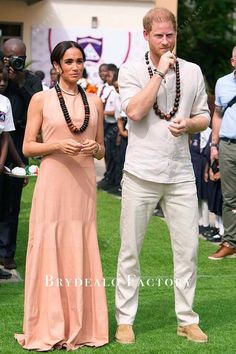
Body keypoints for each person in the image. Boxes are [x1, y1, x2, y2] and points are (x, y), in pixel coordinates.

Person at [115, 7, 210, 344]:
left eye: (170, 34)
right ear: (146, 36)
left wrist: (190, 124)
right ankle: (125, 319)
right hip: (140, 172)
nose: (166, 40)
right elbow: (137, 112)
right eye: (159, 35)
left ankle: (187, 319)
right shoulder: (129, 69)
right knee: (131, 250)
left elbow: (204, 117)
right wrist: (159, 72)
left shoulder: (194, 71)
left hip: (181, 172)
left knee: (188, 251)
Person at [15, 40, 108, 351]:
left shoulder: (94, 102)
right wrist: (57, 146)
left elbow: (101, 148)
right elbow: (28, 147)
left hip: (83, 186)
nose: (75, 66)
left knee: (80, 247)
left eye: (79, 61)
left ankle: (83, 327)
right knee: (50, 247)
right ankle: (50, 325)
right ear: (56, 65)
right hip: (53, 183)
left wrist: (96, 149)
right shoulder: (41, 100)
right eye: (69, 61)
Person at [0, 38, 42, 270]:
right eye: (9, 58)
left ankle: (7, 252)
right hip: (1, 142)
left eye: (20, 59)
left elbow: (38, 107)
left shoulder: (32, 80)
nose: (15, 62)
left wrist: (20, 82)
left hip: (18, 147)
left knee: (12, 205)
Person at [208, 46, 236, 260]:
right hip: (227, 145)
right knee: (230, 197)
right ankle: (230, 242)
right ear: (232, 61)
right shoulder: (222, 83)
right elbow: (217, 114)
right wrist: (214, 145)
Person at [0, 62, 15, 281]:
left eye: (4, 79)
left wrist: (1, 162)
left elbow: (5, 137)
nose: (2, 83)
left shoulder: (5, 102)